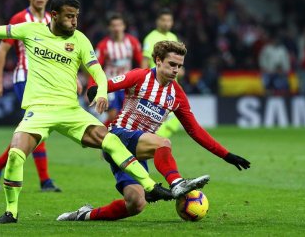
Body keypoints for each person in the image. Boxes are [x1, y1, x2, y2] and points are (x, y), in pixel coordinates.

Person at [0, 0, 173, 224]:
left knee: (109, 140)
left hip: (70, 110)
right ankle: (10, 212)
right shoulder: (31, 30)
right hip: (39, 111)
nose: (74, 21)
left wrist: (100, 90)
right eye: (69, 16)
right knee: (15, 154)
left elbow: (96, 69)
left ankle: (150, 187)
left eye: (76, 16)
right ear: (54, 15)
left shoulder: (80, 39)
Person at [57, 41, 250, 221]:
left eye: (179, 66)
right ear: (158, 60)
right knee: (163, 142)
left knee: (136, 204)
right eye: (172, 64)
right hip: (118, 137)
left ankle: (85, 215)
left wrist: (227, 155)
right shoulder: (140, 76)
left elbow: (195, 130)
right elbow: (103, 85)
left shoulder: (177, 95)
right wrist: (96, 92)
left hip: (139, 152)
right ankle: (177, 183)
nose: (175, 70)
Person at [0, 0, 61, 193]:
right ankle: (45, 181)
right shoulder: (20, 17)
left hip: (47, 81)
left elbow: (61, 51)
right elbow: (3, 48)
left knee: (35, 129)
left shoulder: (51, 18)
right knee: (38, 125)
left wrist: (72, 77)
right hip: (24, 78)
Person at [89, 12, 143, 126]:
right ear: (109, 27)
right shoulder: (103, 45)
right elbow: (95, 67)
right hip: (110, 84)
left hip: (127, 85)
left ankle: (101, 135)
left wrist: (142, 81)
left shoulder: (132, 42)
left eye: (119, 25)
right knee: (113, 114)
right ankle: (99, 135)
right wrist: (92, 85)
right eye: (114, 25)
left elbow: (141, 61)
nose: (116, 28)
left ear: (124, 26)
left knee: (126, 117)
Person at [142, 8, 180, 138]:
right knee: (168, 118)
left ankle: (153, 142)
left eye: (169, 20)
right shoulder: (151, 38)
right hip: (158, 84)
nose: (166, 23)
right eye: (163, 20)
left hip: (172, 85)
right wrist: (144, 81)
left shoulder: (173, 37)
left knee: (170, 120)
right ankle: (153, 143)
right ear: (157, 21)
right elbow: (145, 61)